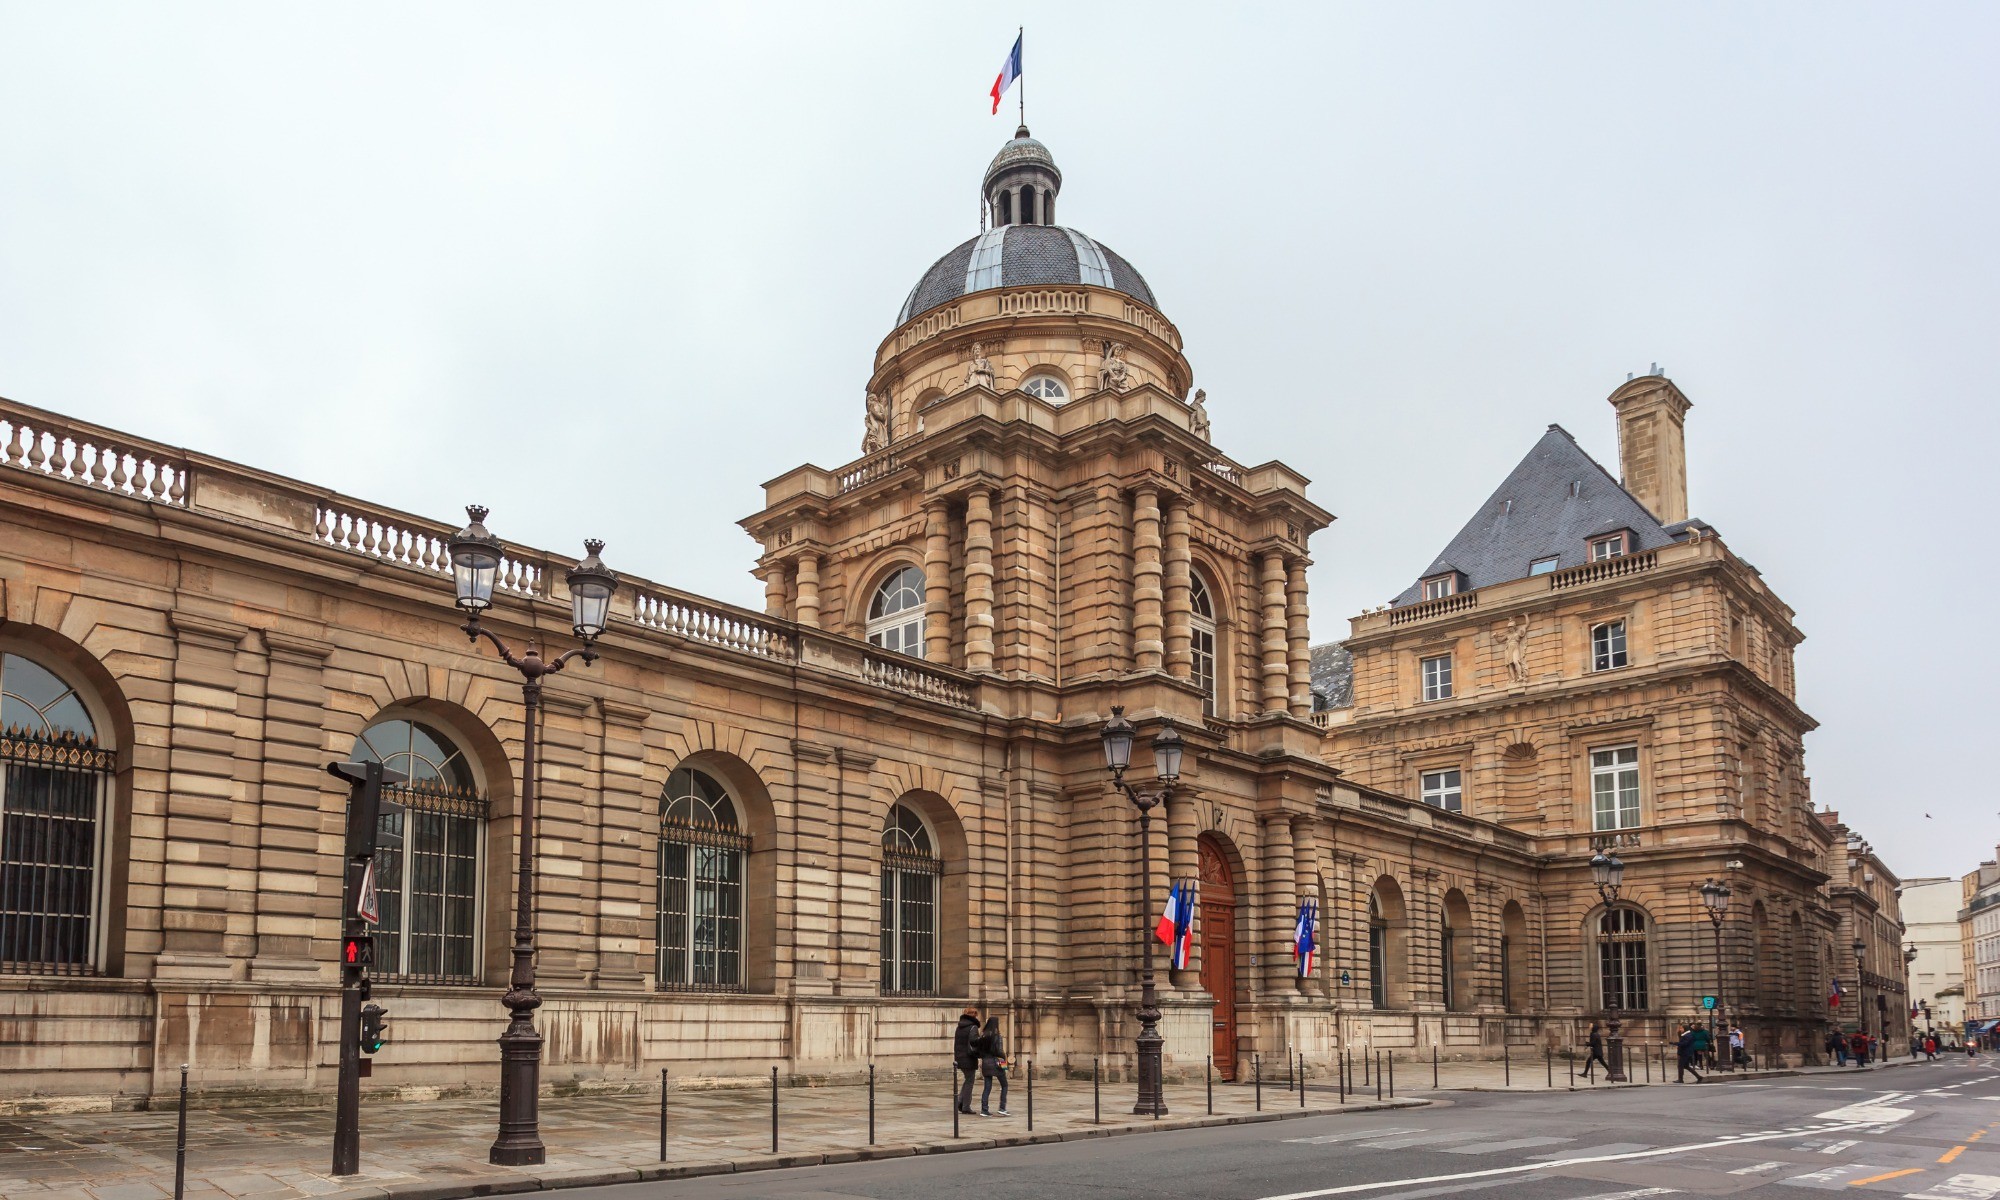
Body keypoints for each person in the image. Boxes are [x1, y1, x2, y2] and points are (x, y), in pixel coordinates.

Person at [977, 1015, 1010, 1117]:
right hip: (997, 1062)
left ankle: (984, 1109)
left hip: (985, 1063)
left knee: (987, 1087)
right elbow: (1000, 1051)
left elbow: (979, 1051)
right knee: (1004, 1085)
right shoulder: (997, 1036)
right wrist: (1005, 1059)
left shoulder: (983, 1036)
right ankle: (1002, 1108)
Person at [953, 1008, 981, 1115]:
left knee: (967, 1079)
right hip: (969, 1057)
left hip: (960, 1057)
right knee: (970, 1081)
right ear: (973, 1015)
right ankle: (965, 1106)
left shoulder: (959, 1027)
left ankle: (960, 1102)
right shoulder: (972, 1027)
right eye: (976, 1015)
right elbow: (974, 1041)